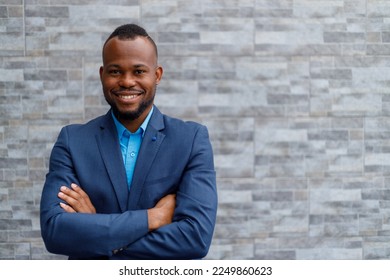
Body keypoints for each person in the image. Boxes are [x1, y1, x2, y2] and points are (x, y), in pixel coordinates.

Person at [40, 23, 218, 259]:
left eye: (138, 71)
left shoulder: (191, 140)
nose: (126, 81)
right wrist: (152, 218)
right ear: (102, 75)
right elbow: (55, 231)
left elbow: (195, 238)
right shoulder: (73, 141)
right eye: (115, 71)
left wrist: (97, 230)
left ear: (157, 75)